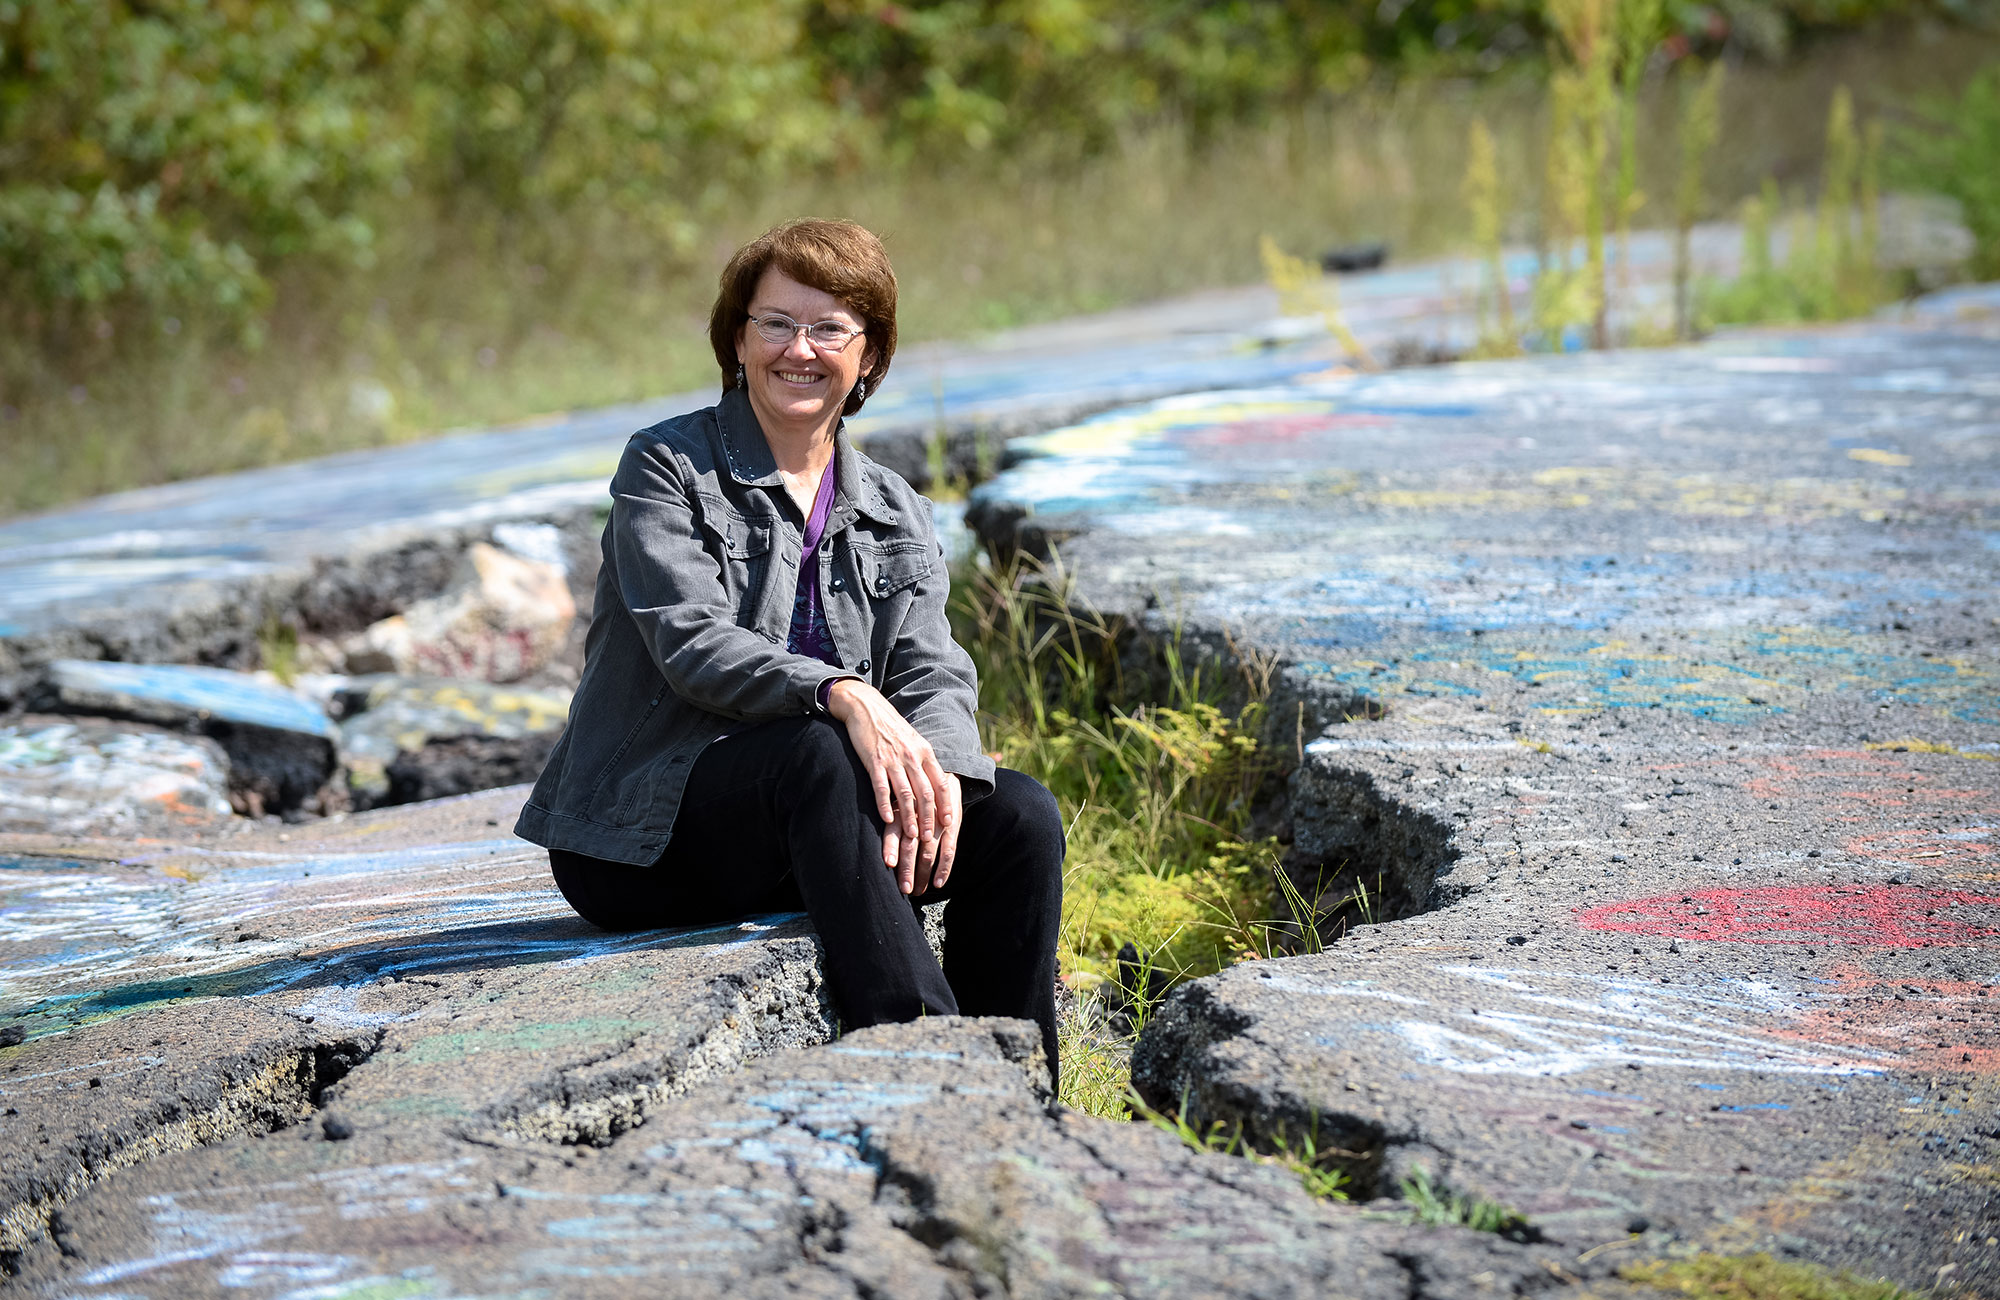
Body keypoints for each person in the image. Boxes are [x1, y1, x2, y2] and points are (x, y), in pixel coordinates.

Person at [515, 218, 1065, 1079]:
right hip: (641, 842)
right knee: (816, 749)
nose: (797, 350)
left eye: (828, 329)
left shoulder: (894, 504)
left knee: (1018, 814)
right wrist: (842, 691)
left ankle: (1024, 1092)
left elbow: (932, 666)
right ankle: (929, 1063)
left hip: (817, 825)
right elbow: (691, 642)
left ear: (871, 356)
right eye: (774, 323)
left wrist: (944, 774)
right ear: (738, 338)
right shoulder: (665, 466)